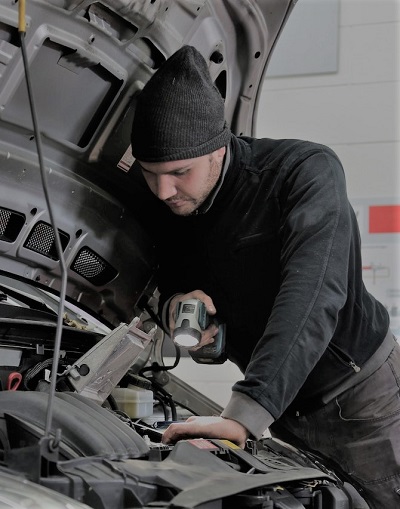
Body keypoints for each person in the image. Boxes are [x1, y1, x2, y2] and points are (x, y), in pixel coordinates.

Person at [129, 45, 400, 508]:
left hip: (363, 403)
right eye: (151, 174)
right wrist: (173, 304)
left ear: (218, 147)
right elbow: (164, 273)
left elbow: (314, 295)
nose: (163, 190)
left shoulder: (303, 174)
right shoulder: (170, 201)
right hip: (285, 411)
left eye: (179, 172)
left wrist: (244, 412)